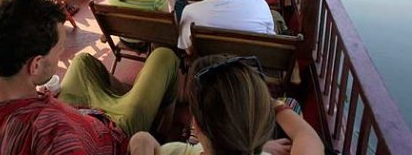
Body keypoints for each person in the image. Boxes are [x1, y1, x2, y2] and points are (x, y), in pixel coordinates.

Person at [0, 0, 179, 155]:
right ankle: (162, 128)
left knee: (83, 60)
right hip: (116, 134)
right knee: (164, 57)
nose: (60, 56)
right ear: (35, 65)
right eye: (58, 51)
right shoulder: (49, 135)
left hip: (75, 113)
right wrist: (139, 141)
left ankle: (121, 97)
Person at [128, 54, 324, 155]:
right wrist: (269, 103)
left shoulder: (175, 151)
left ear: (195, 125)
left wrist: (142, 138)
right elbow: (306, 135)